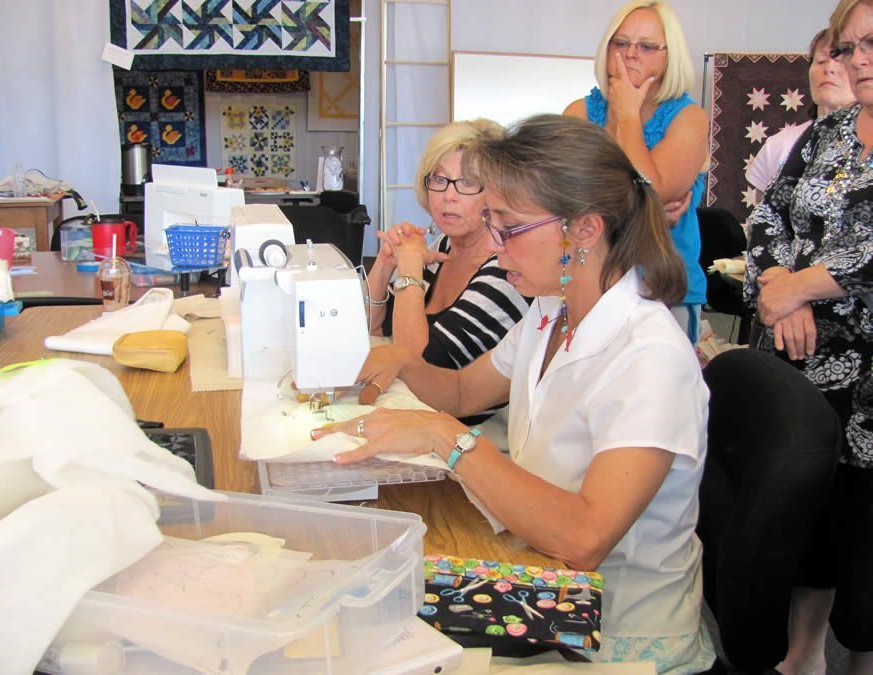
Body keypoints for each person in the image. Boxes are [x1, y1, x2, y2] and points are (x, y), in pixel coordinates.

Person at [314, 115, 715, 673]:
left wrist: (446, 439)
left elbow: (584, 537)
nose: (498, 252)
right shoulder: (552, 311)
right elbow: (457, 390)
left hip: (611, 636)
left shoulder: (649, 356)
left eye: (510, 228)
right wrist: (398, 360)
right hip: (546, 588)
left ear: (584, 230)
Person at [743, 1, 873, 673]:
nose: (858, 59)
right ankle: (802, 658)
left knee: (866, 585)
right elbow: (768, 217)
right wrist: (773, 288)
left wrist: (804, 284)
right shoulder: (830, 134)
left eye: (871, 43)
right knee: (807, 538)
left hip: (870, 393)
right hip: (803, 374)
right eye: (848, 48)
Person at [363, 119, 530, 421]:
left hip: (466, 433)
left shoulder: (506, 272)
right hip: (409, 412)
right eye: (439, 180)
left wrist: (410, 267)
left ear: (496, 194)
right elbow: (372, 329)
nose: (449, 195)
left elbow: (417, 365)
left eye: (467, 183)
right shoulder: (444, 245)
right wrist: (385, 266)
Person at [564, 0, 709, 344]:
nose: (631, 54)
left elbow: (652, 192)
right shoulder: (578, 112)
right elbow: (561, 199)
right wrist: (645, 209)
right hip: (587, 281)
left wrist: (627, 114)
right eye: (621, 43)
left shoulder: (689, 118)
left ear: (669, 56)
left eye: (646, 47)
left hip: (661, 288)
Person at [746, 28, 856, 194]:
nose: (829, 69)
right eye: (820, 61)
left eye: (841, 61)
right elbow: (762, 216)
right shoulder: (778, 146)